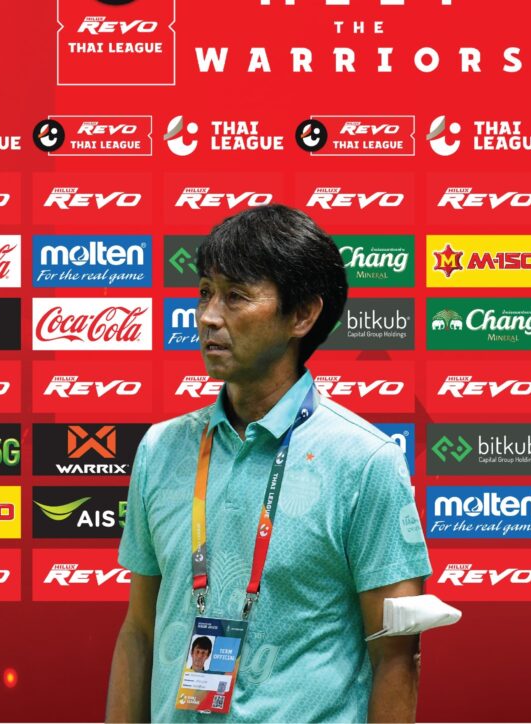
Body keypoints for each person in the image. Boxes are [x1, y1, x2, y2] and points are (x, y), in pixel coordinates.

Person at [106, 204, 431, 723]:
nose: (209, 316)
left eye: (236, 296)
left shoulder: (364, 461)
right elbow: (139, 631)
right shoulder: (162, 448)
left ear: (301, 316)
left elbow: (396, 655)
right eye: (205, 292)